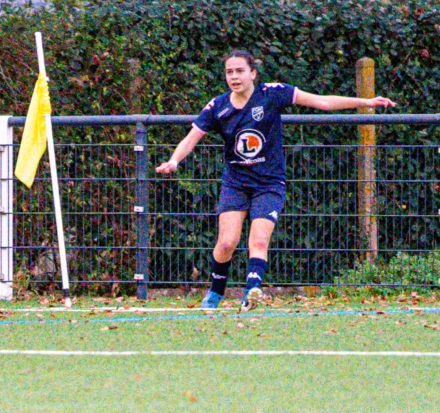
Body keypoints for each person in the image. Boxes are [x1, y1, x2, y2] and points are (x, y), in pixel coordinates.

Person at [155, 51, 396, 310]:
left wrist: (366, 101)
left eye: (240, 71)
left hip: (268, 184)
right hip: (236, 182)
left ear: (253, 74)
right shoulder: (218, 106)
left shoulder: (272, 93)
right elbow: (191, 138)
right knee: (226, 242)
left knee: (259, 241)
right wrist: (174, 160)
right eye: (229, 72)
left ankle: (251, 292)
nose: (234, 77)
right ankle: (215, 292)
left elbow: (323, 102)